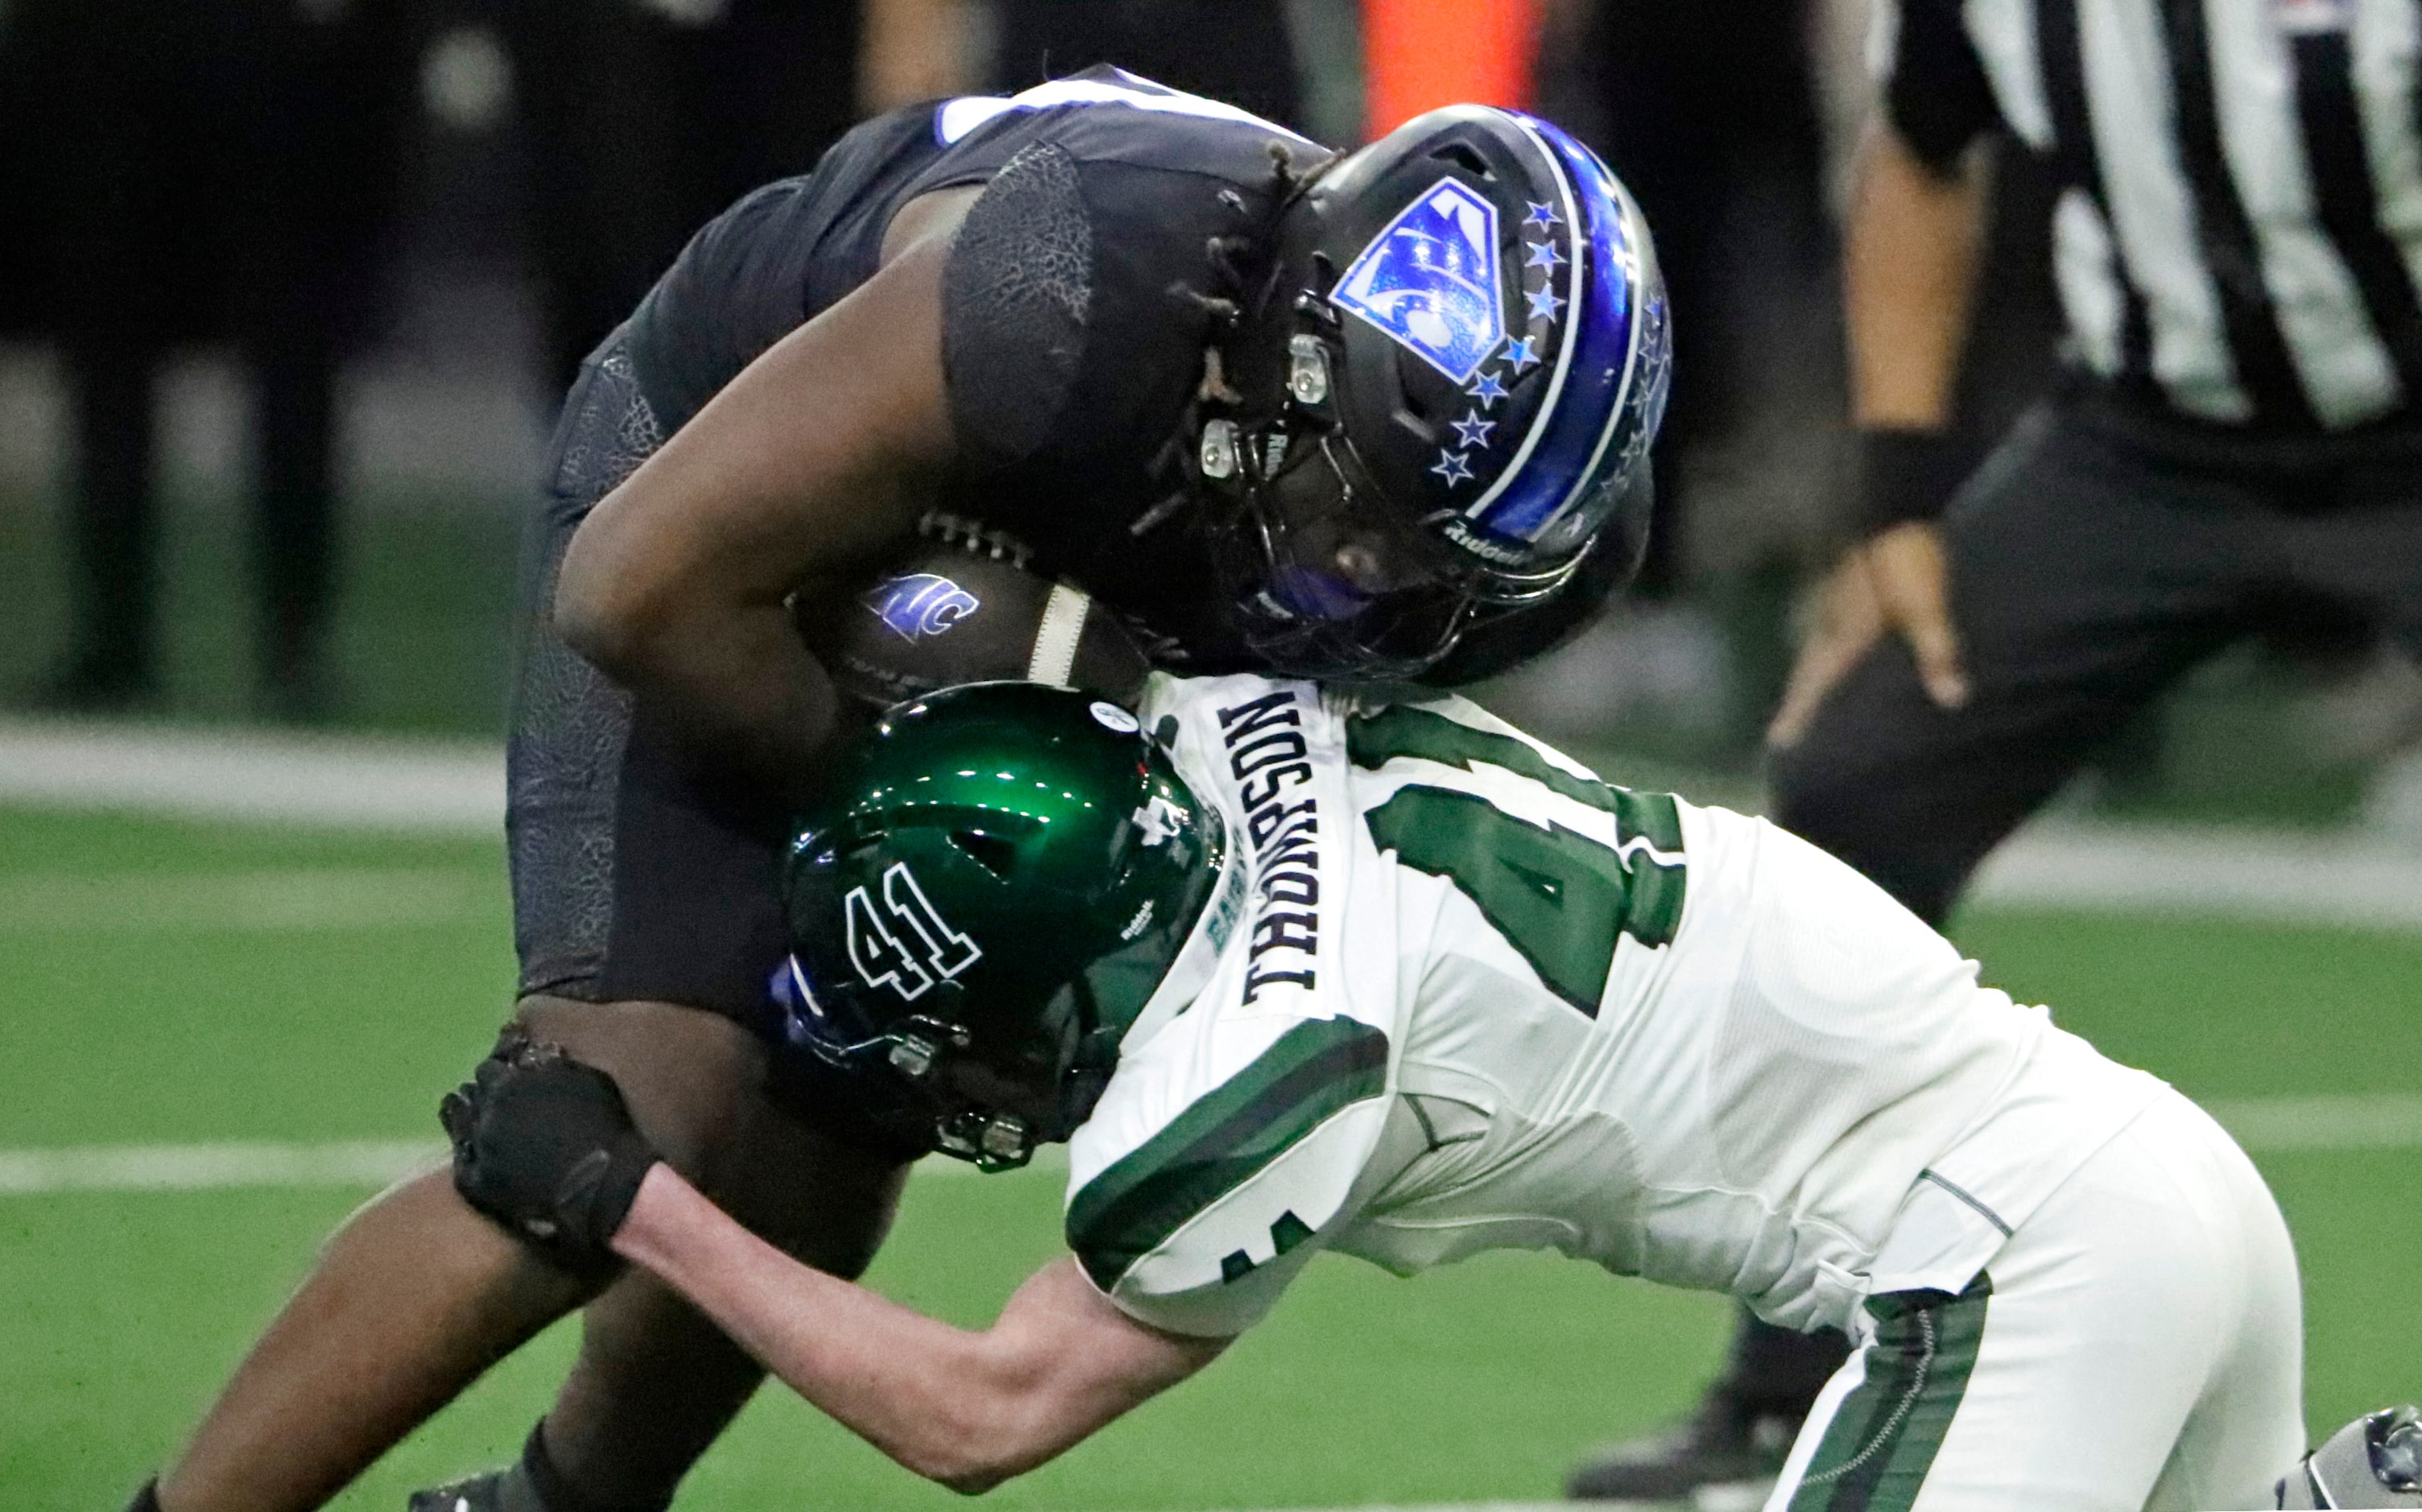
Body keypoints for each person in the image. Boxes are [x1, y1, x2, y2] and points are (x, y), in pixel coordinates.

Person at [126, 72, 1671, 1512]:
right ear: (1282, 338)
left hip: (1044, 561)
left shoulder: (1527, 551)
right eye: (1351, 507)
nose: (1357, 575)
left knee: (857, 1083)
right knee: (615, 1105)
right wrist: (897, 806)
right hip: (731, 511)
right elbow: (637, 592)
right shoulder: (1071, 284)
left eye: (1420, 559)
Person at [440, 676, 2365, 1512]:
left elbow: (981, 1416)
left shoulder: (1249, 1074)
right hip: (2154, 1173)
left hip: (2014, 1271)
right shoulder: (1223, 703)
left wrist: (640, 1207)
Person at [1578, 0, 2422, 1498]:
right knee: (1861, 780)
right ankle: (1790, 1378)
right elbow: (1918, 154)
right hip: (2150, 443)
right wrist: (1898, 499)